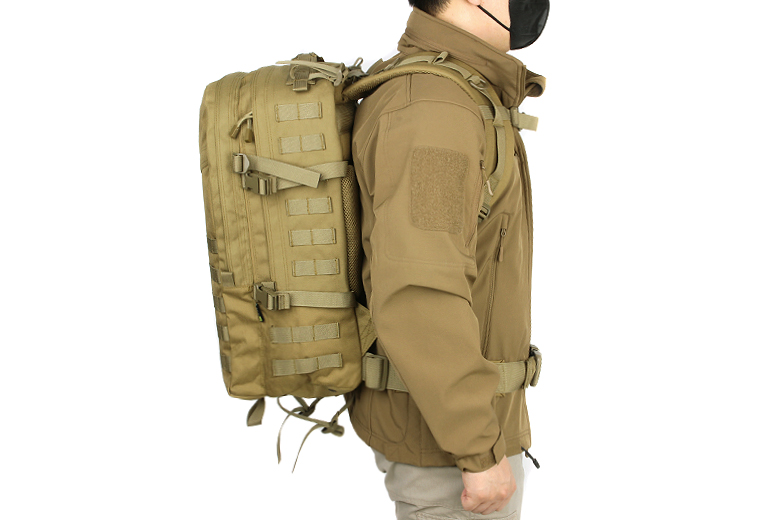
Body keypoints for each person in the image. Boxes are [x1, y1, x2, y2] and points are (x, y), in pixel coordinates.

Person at [346, 1, 547, 518]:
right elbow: (419, 291)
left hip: (459, 435)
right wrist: (478, 449)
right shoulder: (436, 109)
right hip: (449, 453)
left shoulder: (455, 93)